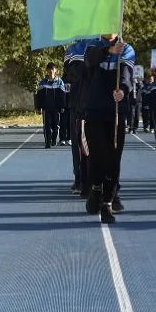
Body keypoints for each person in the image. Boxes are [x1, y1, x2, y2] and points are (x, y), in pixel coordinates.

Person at [82, 34, 135, 224]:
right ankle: (96, 189)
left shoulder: (127, 49)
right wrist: (108, 51)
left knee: (113, 158)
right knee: (96, 156)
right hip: (94, 110)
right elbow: (89, 61)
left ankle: (107, 202)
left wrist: (123, 89)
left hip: (116, 112)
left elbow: (128, 74)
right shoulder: (92, 46)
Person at [63, 40, 93, 196]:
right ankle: (80, 180)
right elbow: (67, 76)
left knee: (96, 145)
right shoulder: (73, 50)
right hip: (77, 105)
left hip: (97, 105)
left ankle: (96, 181)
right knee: (78, 145)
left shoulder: (103, 45)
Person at [35, 63, 66, 149]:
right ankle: (47, 142)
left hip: (56, 108)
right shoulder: (43, 82)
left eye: (52, 69)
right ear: (47, 71)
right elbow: (39, 96)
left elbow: (63, 96)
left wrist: (62, 106)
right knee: (46, 125)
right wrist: (38, 107)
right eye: (49, 69)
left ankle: (53, 139)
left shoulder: (60, 82)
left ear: (55, 70)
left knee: (55, 125)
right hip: (46, 108)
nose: (50, 71)